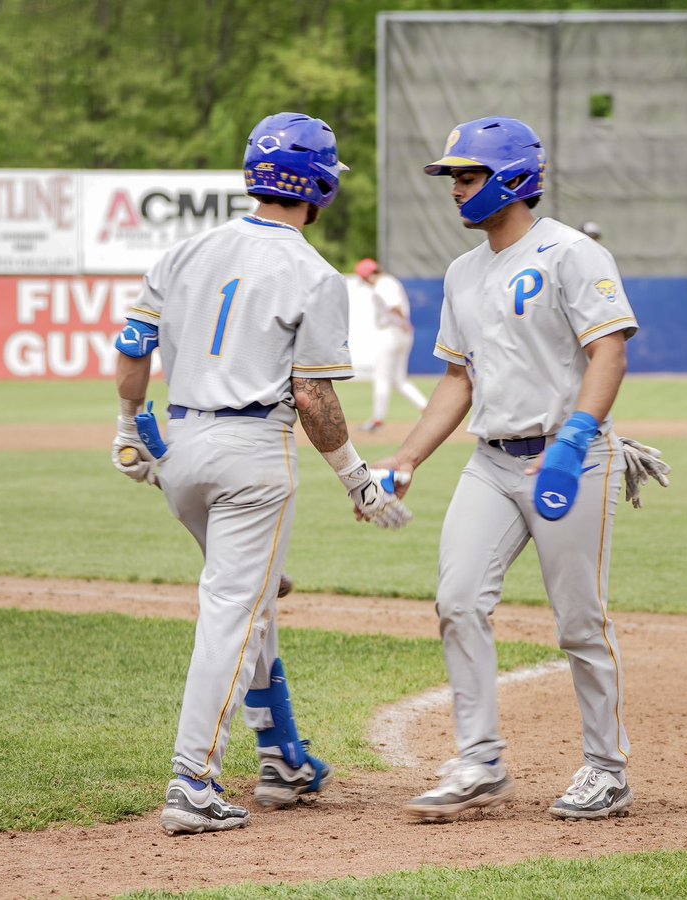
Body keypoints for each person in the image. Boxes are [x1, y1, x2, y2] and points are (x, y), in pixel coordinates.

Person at [110, 111, 411, 836]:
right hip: (252, 453)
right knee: (233, 615)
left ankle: (282, 760)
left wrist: (127, 425)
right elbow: (313, 395)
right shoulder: (313, 272)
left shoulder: (185, 249)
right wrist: (357, 480)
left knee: (253, 599)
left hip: (179, 451)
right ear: (321, 185)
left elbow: (132, 342)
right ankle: (192, 782)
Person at [376, 116, 640, 822]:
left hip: (569, 458)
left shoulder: (571, 254)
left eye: (468, 175)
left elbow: (608, 352)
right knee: (458, 600)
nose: (455, 189)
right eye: (453, 177)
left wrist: (577, 438)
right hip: (491, 462)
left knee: (579, 622)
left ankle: (607, 770)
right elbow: (459, 380)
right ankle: (480, 761)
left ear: (514, 178)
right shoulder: (463, 272)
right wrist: (406, 456)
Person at [355, 257, 428, 432]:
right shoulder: (390, 281)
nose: (365, 281)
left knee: (382, 377)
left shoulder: (382, 284)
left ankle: (378, 420)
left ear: (369, 275)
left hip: (391, 332)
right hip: (401, 332)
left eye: (364, 278)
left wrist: (403, 322)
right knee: (399, 380)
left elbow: (394, 306)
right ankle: (427, 409)